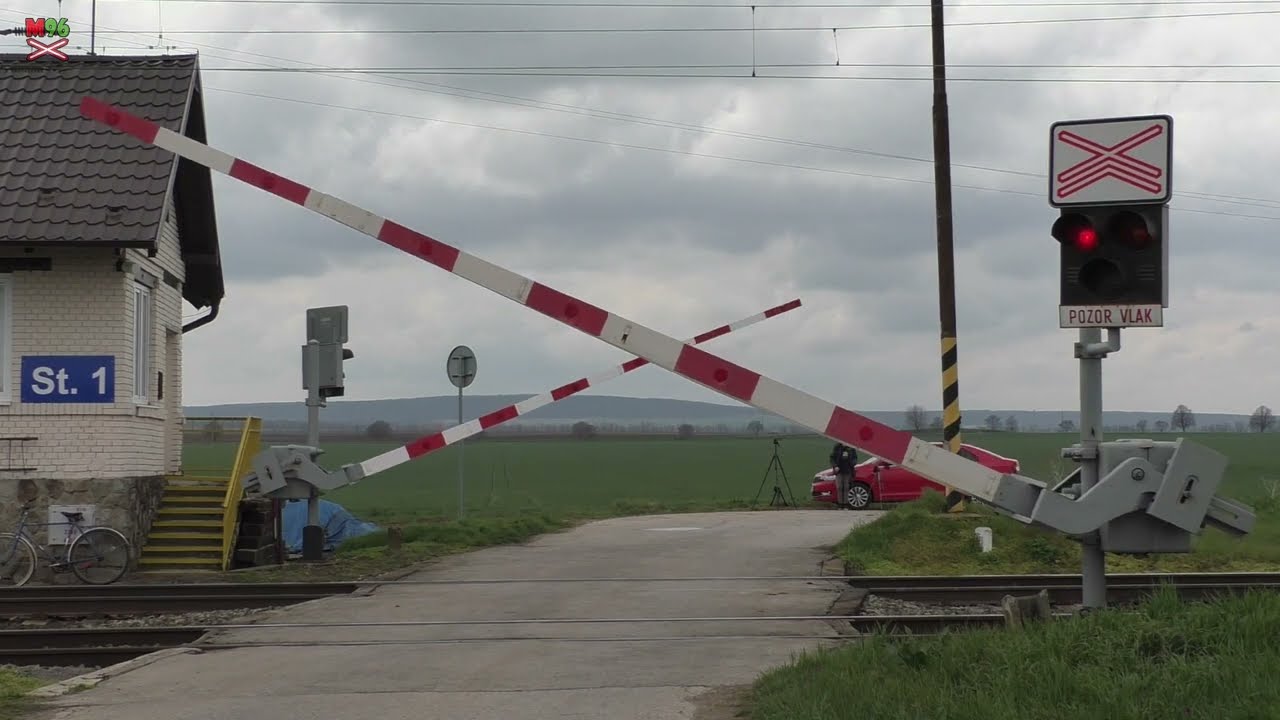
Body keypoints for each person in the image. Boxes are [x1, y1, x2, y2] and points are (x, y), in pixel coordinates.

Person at [829, 442, 859, 508]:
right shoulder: (837, 447)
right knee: (839, 487)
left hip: (848, 470)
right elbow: (832, 458)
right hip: (839, 471)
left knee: (846, 487)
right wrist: (835, 466)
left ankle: (845, 504)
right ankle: (840, 504)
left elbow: (855, 458)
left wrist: (852, 463)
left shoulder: (851, 448)